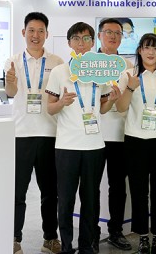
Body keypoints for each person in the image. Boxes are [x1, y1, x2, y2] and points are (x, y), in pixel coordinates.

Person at [46, 22, 120, 254]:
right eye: (76, 38)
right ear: (69, 43)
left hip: (95, 146)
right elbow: (50, 108)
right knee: (66, 199)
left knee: (90, 199)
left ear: (92, 42)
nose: (81, 43)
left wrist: (112, 100)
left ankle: (87, 245)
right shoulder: (59, 72)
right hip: (67, 146)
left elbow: (103, 108)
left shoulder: (100, 72)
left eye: (86, 39)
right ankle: (67, 246)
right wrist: (61, 102)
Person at [115, 33, 156, 254]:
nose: (151, 52)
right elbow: (121, 108)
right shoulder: (129, 75)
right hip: (136, 141)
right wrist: (130, 88)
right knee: (139, 191)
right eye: (146, 47)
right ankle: (143, 237)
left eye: (155, 48)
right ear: (140, 51)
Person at [5, 12, 64, 254]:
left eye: (40, 31)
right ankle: (14, 238)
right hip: (21, 134)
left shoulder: (57, 62)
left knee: (50, 192)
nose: (35, 35)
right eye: (31, 30)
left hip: (50, 133)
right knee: (18, 192)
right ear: (23, 32)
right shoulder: (13, 61)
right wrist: (10, 81)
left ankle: (50, 238)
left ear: (47, 34)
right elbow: (11, 93)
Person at [97, 18, 133, 251]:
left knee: (118, 187)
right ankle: (91, 232)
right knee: (91, 187)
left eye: (117, 33)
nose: (113, 36)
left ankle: (116, 231)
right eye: (108, 32)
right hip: (94, 135)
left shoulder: (128, 66)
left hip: (120, 134)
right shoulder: (88, 64)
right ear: (100, 35)